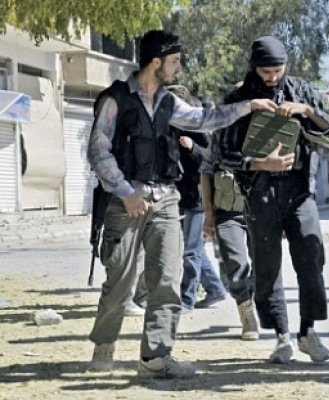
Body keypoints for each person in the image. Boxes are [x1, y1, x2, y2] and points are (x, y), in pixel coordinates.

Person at [86, 30, 276, 378]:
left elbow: (203, 119)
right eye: (174, 61)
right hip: (125, 203)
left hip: (165, 201)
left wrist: (247, 106)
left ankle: (156, 358)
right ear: (156, 62)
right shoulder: (115, 100)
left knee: (167, 281)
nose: (179, 67)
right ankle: (104, 345)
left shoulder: (167, 102)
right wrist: (125, 192)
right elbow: (99, 151)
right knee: (120, 282)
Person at [219, 36, 329, 364]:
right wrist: (260, 164)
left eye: (278, 70)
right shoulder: (239, 99)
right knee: (267, 267)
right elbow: (223, 153)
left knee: (312, 258)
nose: (273, 77)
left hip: (300, 191)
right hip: (260, 191)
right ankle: (282, 337)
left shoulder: (302, 90)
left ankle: (308, 332)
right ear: (254, 67)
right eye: (266, 72)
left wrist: (305, 110)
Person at [168, 85, 228, 313]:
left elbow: (211, 159)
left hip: (198, 197)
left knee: (191, 251)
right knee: (194, 249)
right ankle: (215, 289)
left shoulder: (197, 125)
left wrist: (192, 147)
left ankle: (187, 300)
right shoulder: (171, 125)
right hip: (182, 195)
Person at [200, 128, 259, 340]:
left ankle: (253, 295)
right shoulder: (221, 136)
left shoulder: (263, 132)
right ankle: (247, 313)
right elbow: (206, 173)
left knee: (264, 267)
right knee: (236, 265)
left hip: (259, 213)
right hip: (227, 214)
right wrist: (208, 214)